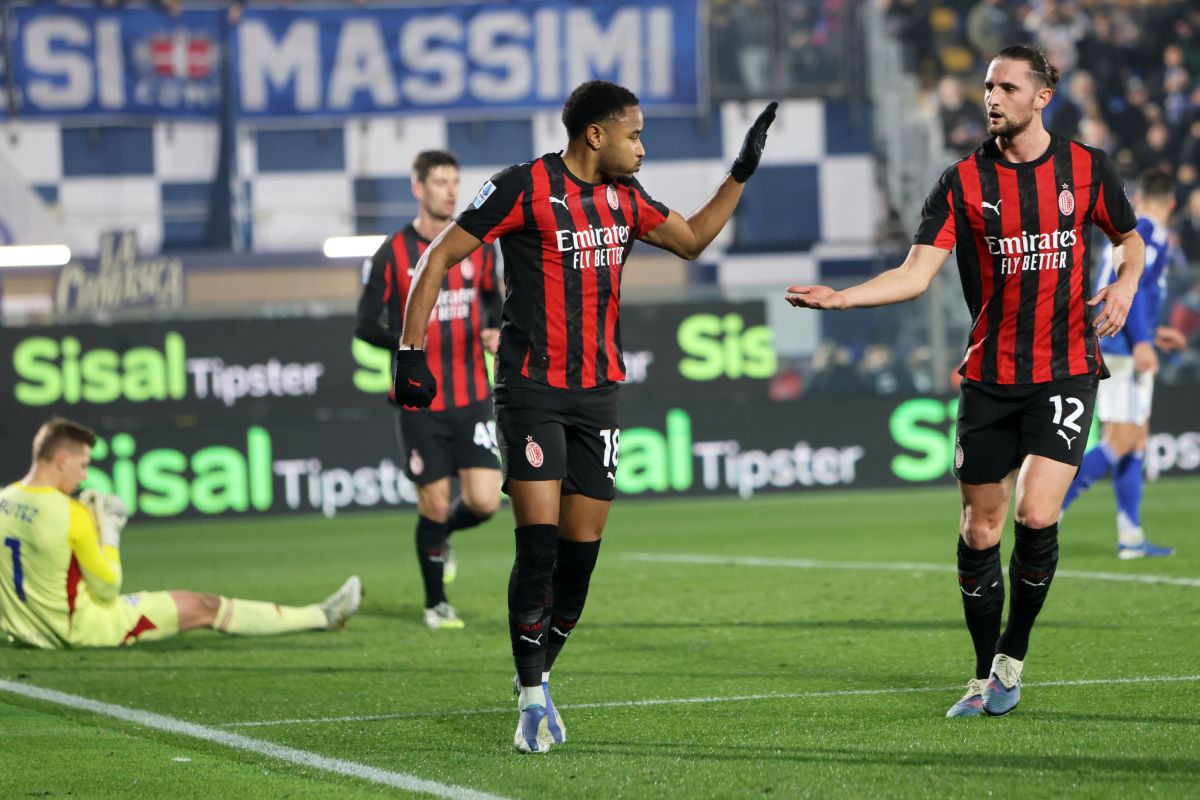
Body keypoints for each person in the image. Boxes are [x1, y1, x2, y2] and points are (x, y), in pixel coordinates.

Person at [392, 80, 777, 752]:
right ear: (595, 133)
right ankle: (533, 695)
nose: (643, 148)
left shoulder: (627, 199)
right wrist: (410, 351)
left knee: (578, 565)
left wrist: (739, 171)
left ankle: (537, 674)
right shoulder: (522, 187)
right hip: (532, 392)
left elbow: (691, 241)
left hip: (599, 396)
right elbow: (438, 256)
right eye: (635, 134)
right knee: (536, 549)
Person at [785, 44, 1142, 719]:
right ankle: (983, 674)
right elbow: (915, 274)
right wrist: (843, 298)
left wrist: (1124, 282)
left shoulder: (1086, 169)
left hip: (1065, 367)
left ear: (1042, 97)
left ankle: (1014, 655)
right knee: (981, 528)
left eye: (1007, 87)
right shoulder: (961, 183)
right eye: (987, 86)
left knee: (1037, 513)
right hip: (989, 376)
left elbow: (1129, 239)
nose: (992, 97)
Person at [1, 418, 361, 650]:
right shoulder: (70, 513)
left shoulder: (4, 500)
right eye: (82, 465)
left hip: (22, 632)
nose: (84, 476)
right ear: (62, 460)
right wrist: (108, 532)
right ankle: (321, 616)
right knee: (204, 606)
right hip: (82, 630)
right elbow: (108, 587)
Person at [356, 149, 503, 631]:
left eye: (455, 181)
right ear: (418, 188)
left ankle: (445, 538)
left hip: (473, 395)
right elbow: (365, 324)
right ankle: (436, 603)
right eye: (440, 182)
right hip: (419, 401)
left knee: (483, 501)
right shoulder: (393, 252)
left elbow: (493, 300)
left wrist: (492, 329)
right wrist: (407, 345)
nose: (451, 190)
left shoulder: (476, 245)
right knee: (435, 503)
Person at [1062, 169, 1187, 557]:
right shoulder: (1147, 230)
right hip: (1121, 347)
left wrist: (1155, 331)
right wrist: (1143, 343)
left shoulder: (1140, 229)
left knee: (1135, 444)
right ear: (1171, 202)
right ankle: (1049, 504)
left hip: (1122, 340)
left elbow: (1143, 292)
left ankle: (1130, 537)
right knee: (1122, 441)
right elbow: (1126, 288)